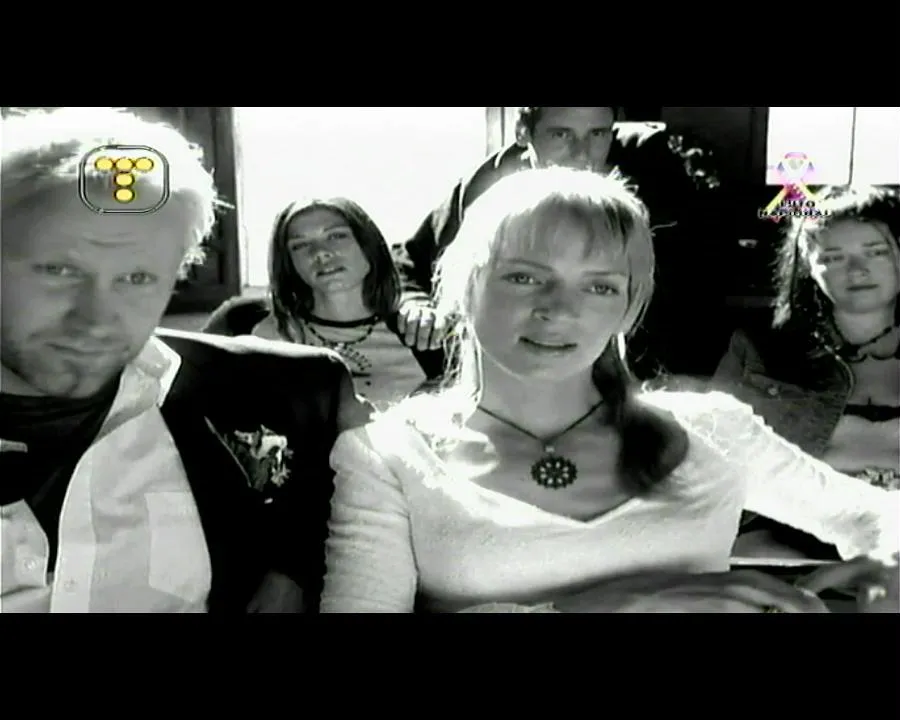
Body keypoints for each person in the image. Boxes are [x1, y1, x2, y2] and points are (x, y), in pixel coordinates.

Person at [319, 168, 899, 614]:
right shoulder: (386, 456)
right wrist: (616, 604)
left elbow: (875, 517)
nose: (559, 310)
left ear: (627, 307)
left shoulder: (715, 429)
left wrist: (885, 571)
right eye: (524, 277)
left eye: (598, 286)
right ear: (464, 288)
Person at [0, 107, 371, 613]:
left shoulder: (278, 391)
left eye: (137, 278)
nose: (96, 318)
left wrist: (291, 569)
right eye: (58, 270)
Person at [392, 106, 732, 380]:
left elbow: (698, 290)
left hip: (638, 370)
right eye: (561, 134)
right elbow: (409, 260)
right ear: (523, 132)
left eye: (597, 134)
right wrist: (417, 304)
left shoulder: (653, 179)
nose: (582, 154)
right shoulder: (490, 184)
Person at [713, 185, 900, 560]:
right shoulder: (759, 352)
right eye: (833, 257)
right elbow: (713, 459)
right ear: (808, 267)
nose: (857, 270)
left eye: (875, 252)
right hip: (792, 537)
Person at [242, 197, 443, 410]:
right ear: (288, 262)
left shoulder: (419, 334)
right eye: (300, 245)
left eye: (336, 236)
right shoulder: (261, 332)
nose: (320, 252)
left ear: (369, 246)